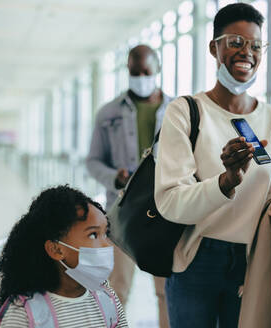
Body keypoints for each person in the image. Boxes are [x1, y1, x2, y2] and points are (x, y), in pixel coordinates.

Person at [154, 4, 271, 328]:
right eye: (235, 41)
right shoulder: (186, 112)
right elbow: (170, 201)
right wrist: (226, 181)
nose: (246, 52)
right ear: (214, 47)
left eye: (256, 45)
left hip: (253, 258)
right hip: (196, 258)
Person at [86, 45, 171, 327]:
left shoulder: (177, 111)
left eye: (146, 72)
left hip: (166, 214)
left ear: (157, 70)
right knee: (116, 289)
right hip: (121, 214)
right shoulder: (108, 113)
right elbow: (93, 161)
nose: (141, 78)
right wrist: (115, 177)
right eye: (135, 73)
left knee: (166, 292)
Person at [0, 185, 128, 327]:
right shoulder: (25, 313)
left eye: (105, 233)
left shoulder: (107, 299)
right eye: (93, 235)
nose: (107, 245)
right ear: (56, 249)